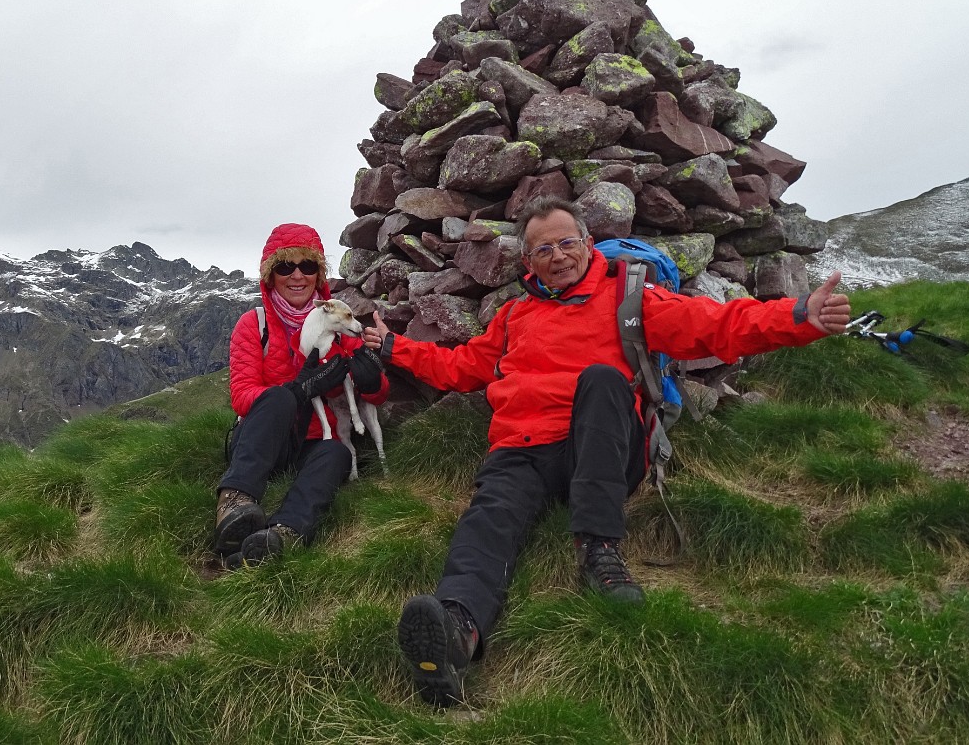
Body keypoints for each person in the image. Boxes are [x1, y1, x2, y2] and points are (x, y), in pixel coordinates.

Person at [361, 196, 850, 706]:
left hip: (603, 446)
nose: (558, 255)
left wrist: (800, 315)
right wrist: (395, 348)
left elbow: (715, 325)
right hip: (523, 446)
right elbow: (462, 367)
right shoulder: (513, 316)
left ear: (588, 244)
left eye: (567, 241)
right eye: (543, 248)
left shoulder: (629, 299)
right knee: (488, 517)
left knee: (600, 381)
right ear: (528, 263)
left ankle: (600, 549)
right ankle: (457, 630)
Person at [215, 223, 390, 567]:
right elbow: (242, 396)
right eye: (285, 267)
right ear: (270, 276)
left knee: (336, 453)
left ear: (318, 274)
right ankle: (235, 503)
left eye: (307, 266)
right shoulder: (255, 325)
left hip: (312, 441)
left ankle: (283, 532)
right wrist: (299, 391)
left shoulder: (338, 321)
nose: (297, 275)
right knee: (278, 399)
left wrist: (371, 380)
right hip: (264, 439)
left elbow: (378, 394)